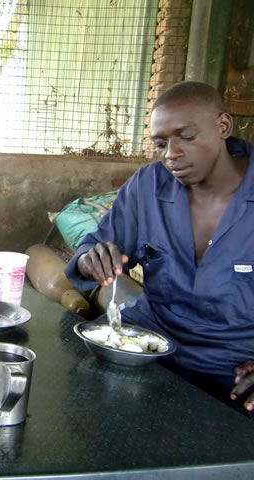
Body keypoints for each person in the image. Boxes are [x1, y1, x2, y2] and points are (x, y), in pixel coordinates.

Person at [65, 80, 254, 415]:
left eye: (187, 137)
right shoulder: (148, 187)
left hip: (235, 368)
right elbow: (94, 247)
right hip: (149, 348)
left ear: (223, 126)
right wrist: (90, 260)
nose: (172, 154)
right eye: (161, 143)